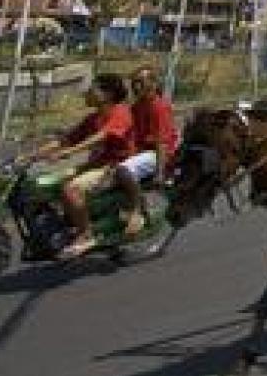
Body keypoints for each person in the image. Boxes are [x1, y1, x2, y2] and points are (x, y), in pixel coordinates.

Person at [33, 73, 134, 258]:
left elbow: (102, 135)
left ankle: (86, 235)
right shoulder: (92, 118)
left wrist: (70, 152)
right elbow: (66, 139)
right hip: (95, 166)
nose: (86, 93)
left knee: (70, 189)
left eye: (92, 89)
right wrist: (32, 156)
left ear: (107, 94)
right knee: (48, 182)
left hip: (115, 167)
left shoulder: (121, 112)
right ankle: (66, 225)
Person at [115, 66, 178, 236]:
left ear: (153, 83)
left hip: (159, 154)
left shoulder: (159, 107)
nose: (136, 87)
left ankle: (138, 211)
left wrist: (159, 172)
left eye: (140, 83)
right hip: (143, 153)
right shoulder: (136, 107)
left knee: (123, 170)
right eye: (134, 83)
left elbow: (162, 143)